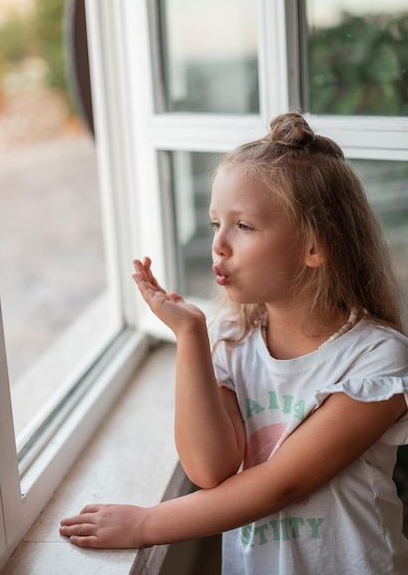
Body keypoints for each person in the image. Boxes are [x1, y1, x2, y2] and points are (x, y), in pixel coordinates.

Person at [60, 112, 408, 574]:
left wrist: (147, 525)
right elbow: (210, 469)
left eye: (243, 226)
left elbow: (280, 484)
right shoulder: (232, 339)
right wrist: (190, 336)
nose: (219, 245)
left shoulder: (376, 360)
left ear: (315, 247)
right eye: (214, 224)